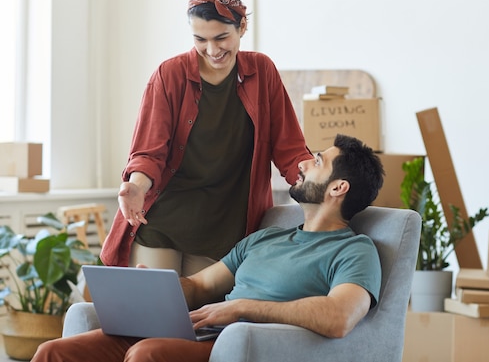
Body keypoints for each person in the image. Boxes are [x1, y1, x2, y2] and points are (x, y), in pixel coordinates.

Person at [32, 134, 385, 362]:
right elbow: (200, 286)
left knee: (147, 355)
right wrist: (155, 289)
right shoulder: (267, 237)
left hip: (233, 345)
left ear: (338, 188)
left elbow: (340, 317)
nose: (305, 162)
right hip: (194, 331)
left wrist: (243, 308)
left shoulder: (354, 251)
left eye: (318, 161)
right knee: (53, 352)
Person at [100, 0, 312, 275]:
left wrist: (317, 181)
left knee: (200, 318)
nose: (212, 50)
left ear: (242, 26)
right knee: (154, 315)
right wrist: (136, 187)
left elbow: (289, 149)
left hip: (224, 227)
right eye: (200, 39)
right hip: (163, 221)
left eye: (221, 37)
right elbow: (149, 153)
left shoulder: (262, 72)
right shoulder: (169, 75)